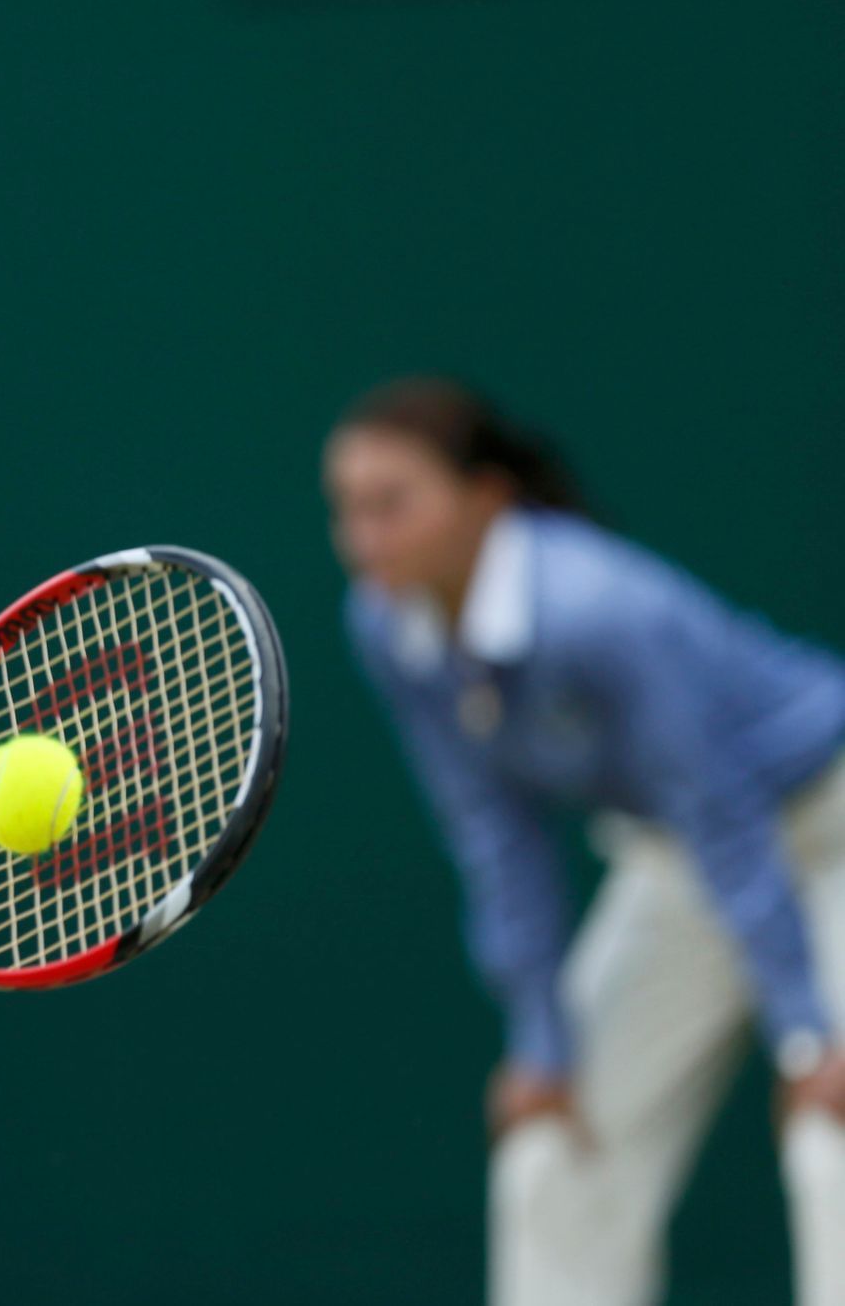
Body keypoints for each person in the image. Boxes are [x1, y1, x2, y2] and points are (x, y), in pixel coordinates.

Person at [326, 377, 845, 1305]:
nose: (363, 539)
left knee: (832, 1137)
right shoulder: (384, 622)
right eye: (347, 509)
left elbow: (723, 813)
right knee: (550, 1148)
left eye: (391, 504)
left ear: (482, 497)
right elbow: (492, 834)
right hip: (686, 855)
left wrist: (807, 1037)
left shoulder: (600, 609)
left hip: (824, 820)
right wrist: (540, 1041)